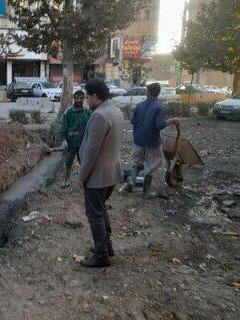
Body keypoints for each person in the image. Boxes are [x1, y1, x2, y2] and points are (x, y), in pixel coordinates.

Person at [77, 80, 124, 268]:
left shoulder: (99, 116)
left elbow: (91, 151)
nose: (87, 100)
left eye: (88, 97)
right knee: (101, 209)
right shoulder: (115, 111)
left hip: (97, 176)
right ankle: (106, 246)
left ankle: (101, 254)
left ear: (95, 96)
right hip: (111, 172)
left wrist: (82, 177)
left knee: (94, 214)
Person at [126, 83, 180, 198]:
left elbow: (132, 121)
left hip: (138, 139)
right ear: (158, 93)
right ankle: (146, 192)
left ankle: (131, 180)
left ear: (147, 92)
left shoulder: (139, 105)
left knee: (136, 161)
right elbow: (160, 125)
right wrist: (172, 120)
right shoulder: (159, 107)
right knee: (154, 162)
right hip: (152, 141)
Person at [60, 90, 92, 187]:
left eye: (81, 98)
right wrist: (64, 140)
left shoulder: (87, 112)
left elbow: (91, 127)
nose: (79, 100)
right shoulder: (68, 112)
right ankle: (66, 180)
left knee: (83, 162)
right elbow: (63, 127)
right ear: (74, 98)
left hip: (83, 143)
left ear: (84, 99)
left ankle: (85, 180)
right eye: (77, 98)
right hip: (71, 143)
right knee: (69, 162)